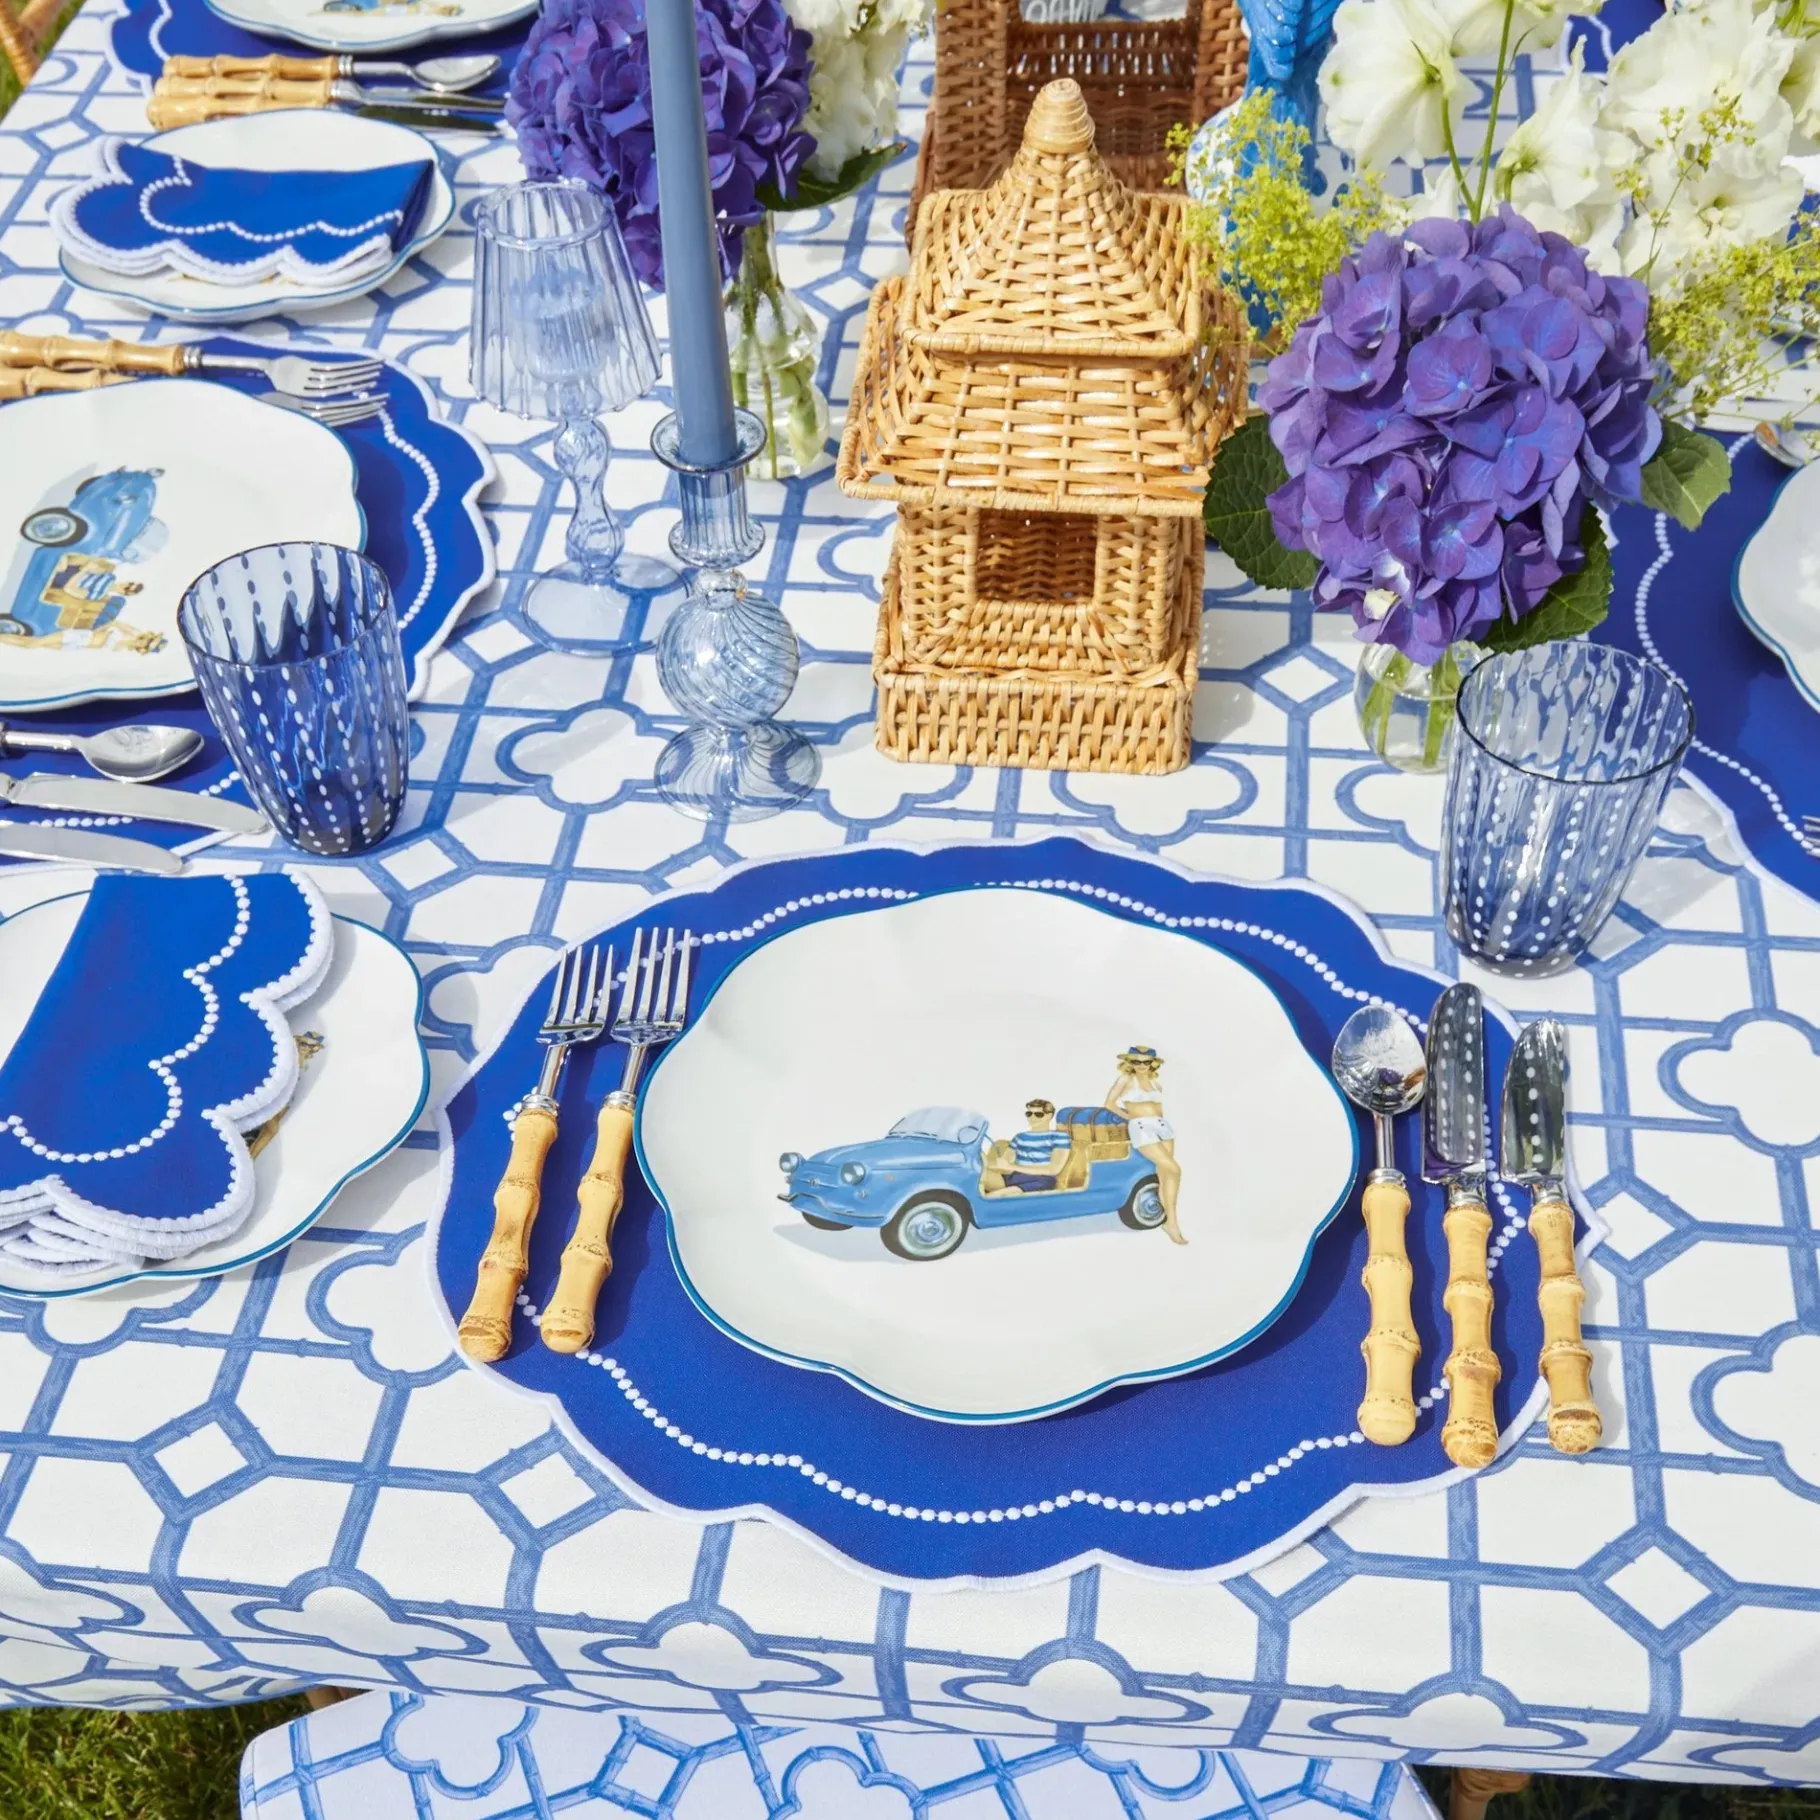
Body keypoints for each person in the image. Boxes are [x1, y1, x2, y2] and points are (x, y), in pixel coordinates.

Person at [1105, 1046, 1183, 1243]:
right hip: (1141, 1127)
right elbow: (1109, 1104)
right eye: (1136, 1061)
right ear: (1130, 1062)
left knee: (1165, 1174)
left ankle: (1170, 1221)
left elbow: (1157, 1109)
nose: (1141, 1066)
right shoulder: (1125, 1079)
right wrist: (1130, 1118)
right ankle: (1172, 1223)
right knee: (1174, 1169)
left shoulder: (1156, 1083)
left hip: (1163, 1127)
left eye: (1145, 1062)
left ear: (1152, 1063)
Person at [980, 1099, 1071, 1195]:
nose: (1032, 1118)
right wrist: (984, 1162)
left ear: (1049, 1116)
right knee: (976, 1174)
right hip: (1012, 1177)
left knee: (991, 1197)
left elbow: (1053, 1169)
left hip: (1039, 1180)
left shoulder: (1059, 1137)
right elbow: (1005, 1165)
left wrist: (1012, 1167)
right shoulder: (1020, 1137)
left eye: (1038, 1114)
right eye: (1029, 1114)